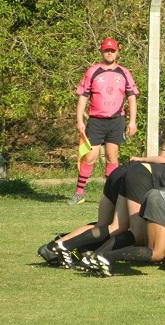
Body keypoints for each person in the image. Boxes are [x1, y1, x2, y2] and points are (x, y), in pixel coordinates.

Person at [68, 37, 139, 205]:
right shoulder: (92, 71)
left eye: (112, 50)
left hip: (116, 121)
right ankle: (79, 193)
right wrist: (79, 120)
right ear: (101, 51)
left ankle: (110, 195)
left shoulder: (124, 72)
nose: (109, 53)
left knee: (111, 157)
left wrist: (132, 121)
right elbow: (83, 97)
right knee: (89, 157)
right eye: (106, 50)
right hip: (96, 121)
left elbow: (132, 98)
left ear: (117, 52)